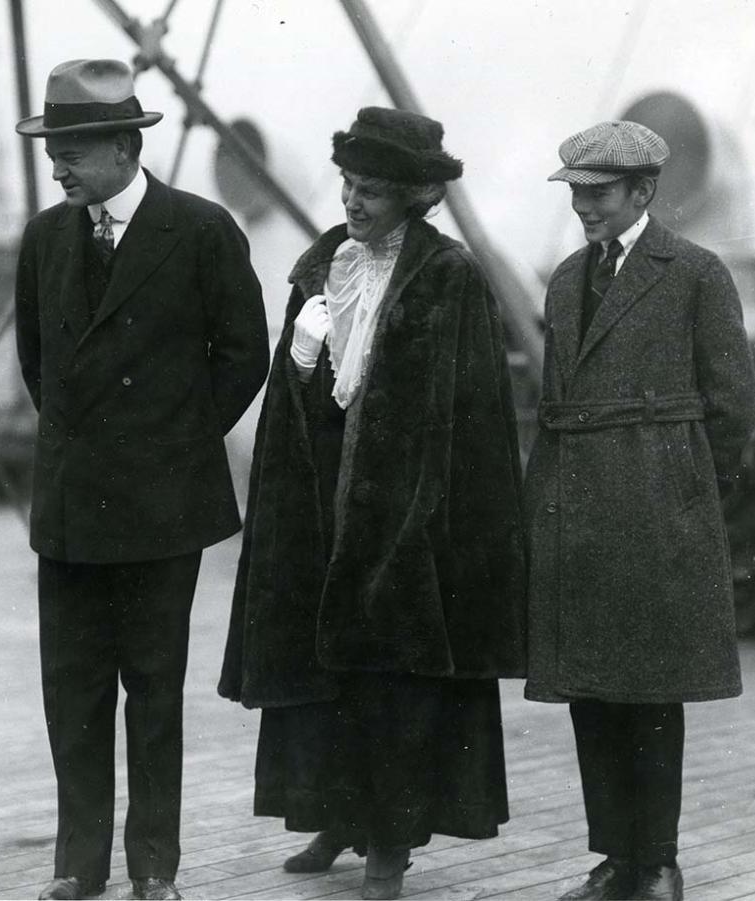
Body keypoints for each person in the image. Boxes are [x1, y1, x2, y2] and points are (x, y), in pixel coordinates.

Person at [218, 107, 527, 901]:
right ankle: (333, 815)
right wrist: (301, 356)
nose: (354, 203)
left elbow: (472, 415)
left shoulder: (448, 276)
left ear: (414, 197)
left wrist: (433, 522)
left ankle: (388, 841)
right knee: (325, 674)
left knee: (392, 683)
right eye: (349, 186)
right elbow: (297, 401)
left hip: (405, 512)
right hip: (320, 498)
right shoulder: (321, 267)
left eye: (374, 193)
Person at [13, 59, 269, 901]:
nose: (58, 166)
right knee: (72, 692)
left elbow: (243, 356)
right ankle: (76, 865)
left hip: (163, 511)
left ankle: (154, 867)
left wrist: (172, 443)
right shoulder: (48, 237)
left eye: (72, 149)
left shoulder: (199, 231)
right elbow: (38, 362)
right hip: (71, 510)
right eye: (54, 149)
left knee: (153, 692)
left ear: (124, 146)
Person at [525, 121, 755, 901]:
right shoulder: (563, 279)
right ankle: (613, 857)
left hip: (659, 516)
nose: (583, 208)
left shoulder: (695, 274)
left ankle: (657, 859)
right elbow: (553, 400)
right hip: (579, 519)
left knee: (654, 693)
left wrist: (682, 492)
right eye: (576, 194)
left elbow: (733, 409)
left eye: (598, 194)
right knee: (591, 690)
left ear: (643, 192)